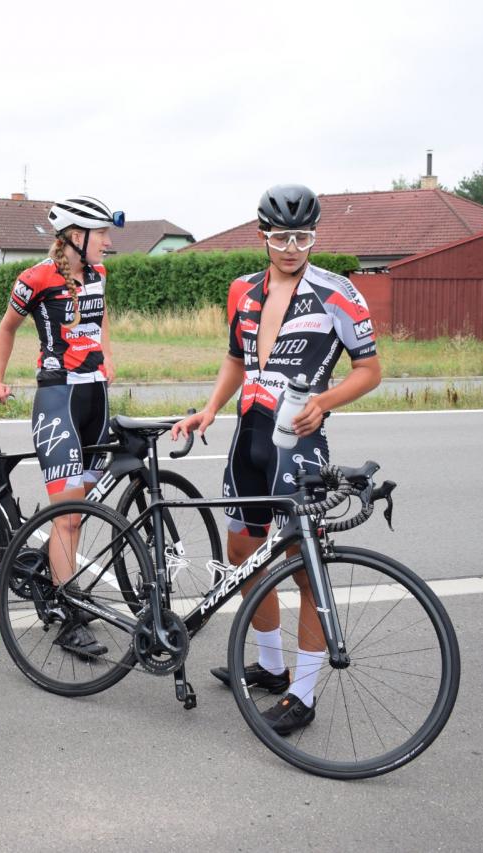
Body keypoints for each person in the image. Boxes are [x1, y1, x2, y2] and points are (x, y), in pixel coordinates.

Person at [171, 184, 381, 734]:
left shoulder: (338, 294)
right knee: (244, 553)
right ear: (262, 235)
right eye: (283, 237)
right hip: (249, 438)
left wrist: (324, 403)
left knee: (305, 569)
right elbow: (234, 358)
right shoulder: (242, 289)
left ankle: (302, 694)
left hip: (299, 442)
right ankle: (269, 665)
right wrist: (210, 408)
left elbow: (369, 371)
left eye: (303, 238)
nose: (292, 248)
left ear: (315, 237)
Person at [0, 195, 123, 659]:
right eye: (101, 233)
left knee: (78, 512)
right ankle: (68, 616)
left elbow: (101, 317)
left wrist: (108, 356)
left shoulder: (99, 274)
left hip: (95, 397)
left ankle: (54, 572)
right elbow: (7, 328)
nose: (107, 241)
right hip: (58, 399)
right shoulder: (35, 278)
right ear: (75, 237)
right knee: (66, 517)